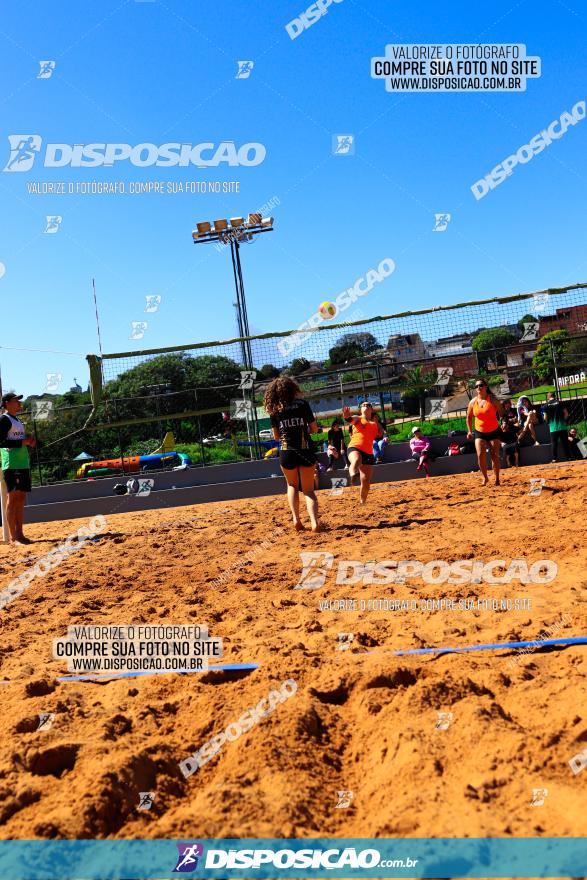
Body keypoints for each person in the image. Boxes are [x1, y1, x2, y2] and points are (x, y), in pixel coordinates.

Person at [264, 377, 321, 532]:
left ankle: (296, 519)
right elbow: (314, 429)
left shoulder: (275, 409)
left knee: (292, 485)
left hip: (286, 451)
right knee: (308, 490)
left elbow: (276, 437)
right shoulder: (303, 404)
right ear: (292, 388)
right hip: (305, 449)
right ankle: (314, 523)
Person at [0, 393, 36, 545]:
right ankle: (14, 537)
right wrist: (23, 442)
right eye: (16, 401)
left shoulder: (17, 420)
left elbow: (17, 440)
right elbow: (1, 442)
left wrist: (30, 442)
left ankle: (20, 534)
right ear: (7, 403)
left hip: (22, 463)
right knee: (13, 498)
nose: (19, 404)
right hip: (11, 464)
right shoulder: (4, 419)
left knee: (21, 498)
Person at [342, 400, 383, 504]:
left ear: (371, 409)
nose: (365, 406)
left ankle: (362, 502)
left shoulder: (374, 424)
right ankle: (352, 473)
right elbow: (350, 419)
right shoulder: (358, 418)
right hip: (355, 447)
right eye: (363, 405)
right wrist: (346, 416)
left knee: (365, 480)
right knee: (356, 460)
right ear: (361, 409)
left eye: (368, 405)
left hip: (368, 452)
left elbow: (377, 435)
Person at [466, 379, 504, 486]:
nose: (478, 388)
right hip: (479, 431)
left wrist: (503, 423)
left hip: (493, 431)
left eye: (481, 385)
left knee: (494, 455)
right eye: (477, 386)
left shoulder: (493, 400)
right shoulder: (472, 402)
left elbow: (501, 413)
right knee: (480, 454)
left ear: (486, 387)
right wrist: (469, 431)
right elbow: (468, 417)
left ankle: (497, 478)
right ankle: (485, 478)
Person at [544, 392, 571, 462]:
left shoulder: (546, 405)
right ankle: (568, 457)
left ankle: (554, 459)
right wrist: (563, 421)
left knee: (554, 443)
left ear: (548, 397)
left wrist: (549, 423)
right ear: (555, 396)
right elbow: (566, 414)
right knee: (565, 442)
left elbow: (545, 418)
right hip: (562, 426)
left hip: (553, 427)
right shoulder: (560, 402)